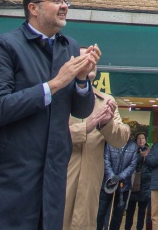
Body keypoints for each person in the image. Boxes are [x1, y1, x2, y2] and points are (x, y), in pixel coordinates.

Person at [0, 0, 100, 230]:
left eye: (66, 0)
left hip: (51, 178)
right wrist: (55, 84)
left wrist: (81, 80)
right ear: (33, 8)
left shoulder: (69, 46)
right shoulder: (4, 46)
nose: (64, 6)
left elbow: (81, 110)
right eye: (56, 0)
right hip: (7, 180)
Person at [63, 74, 127, 230]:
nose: (90, 64)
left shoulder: (106, 101)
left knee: (85, 223)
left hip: (91, 179)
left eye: (94, 62)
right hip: (61, 174)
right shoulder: (59, 96)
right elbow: (48, 135)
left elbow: (121, 140)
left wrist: (107, 124)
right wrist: (84, 129)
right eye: (85, 61)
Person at [100, 132, 140, 230]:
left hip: (123, 185)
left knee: (118, 214)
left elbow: (132, 166)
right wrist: (112, 176)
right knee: (101, 211)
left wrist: (120, 176)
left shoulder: (133, 146)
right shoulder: (110, 143)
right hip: (108, 183)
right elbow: (106, 160)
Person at [124, 133, 152, 230]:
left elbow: (153, 164)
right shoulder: (132, 151)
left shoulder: (150, 151)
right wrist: (140, 156)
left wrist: (146, 157)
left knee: (142, 212)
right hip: (133, 184)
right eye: (139, 138)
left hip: (145, 185)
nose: (141, 140)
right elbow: (130, 163)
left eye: (143, 138)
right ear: (136, 141)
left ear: (145, 140)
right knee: (130, 212)